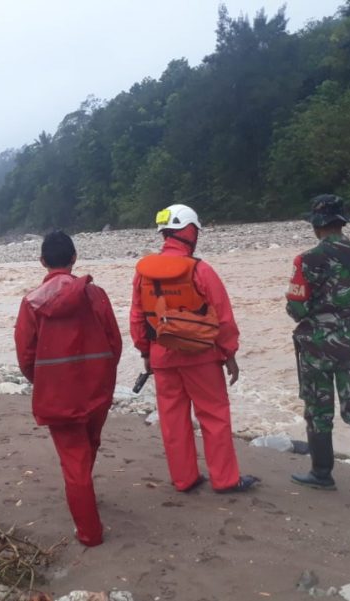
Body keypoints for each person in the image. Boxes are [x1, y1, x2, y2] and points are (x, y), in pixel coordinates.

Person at [129, 204, 258, 494]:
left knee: (173, 422)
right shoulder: (201, 270)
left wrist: (145, 353)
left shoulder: (144, 274)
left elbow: (137, 317)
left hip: (162, 356)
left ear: (165, 234)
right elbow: (223, 317)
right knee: (213, 416)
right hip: (201, 356)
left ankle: (184, 479)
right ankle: (225, 480)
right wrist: (230, 355)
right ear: (189, 231)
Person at [14, 231, 122, 547]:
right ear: (74, 259)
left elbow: (25, 355)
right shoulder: (96, 295)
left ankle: (90, 532)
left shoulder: (32, 302)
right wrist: (102, 378)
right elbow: (114, 343)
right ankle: (84, 498)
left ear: (43, 262)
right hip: (96, 391)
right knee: (88, 446)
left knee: (74, 459)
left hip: (58, 395)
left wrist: (44, 382)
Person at [287, 194, 350, 504]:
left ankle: (321, 474)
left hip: (315, 347)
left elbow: (295, 307)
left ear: (316, 226)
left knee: (318, 410)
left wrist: (319, 320)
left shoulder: (307, 260)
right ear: (343, 222)